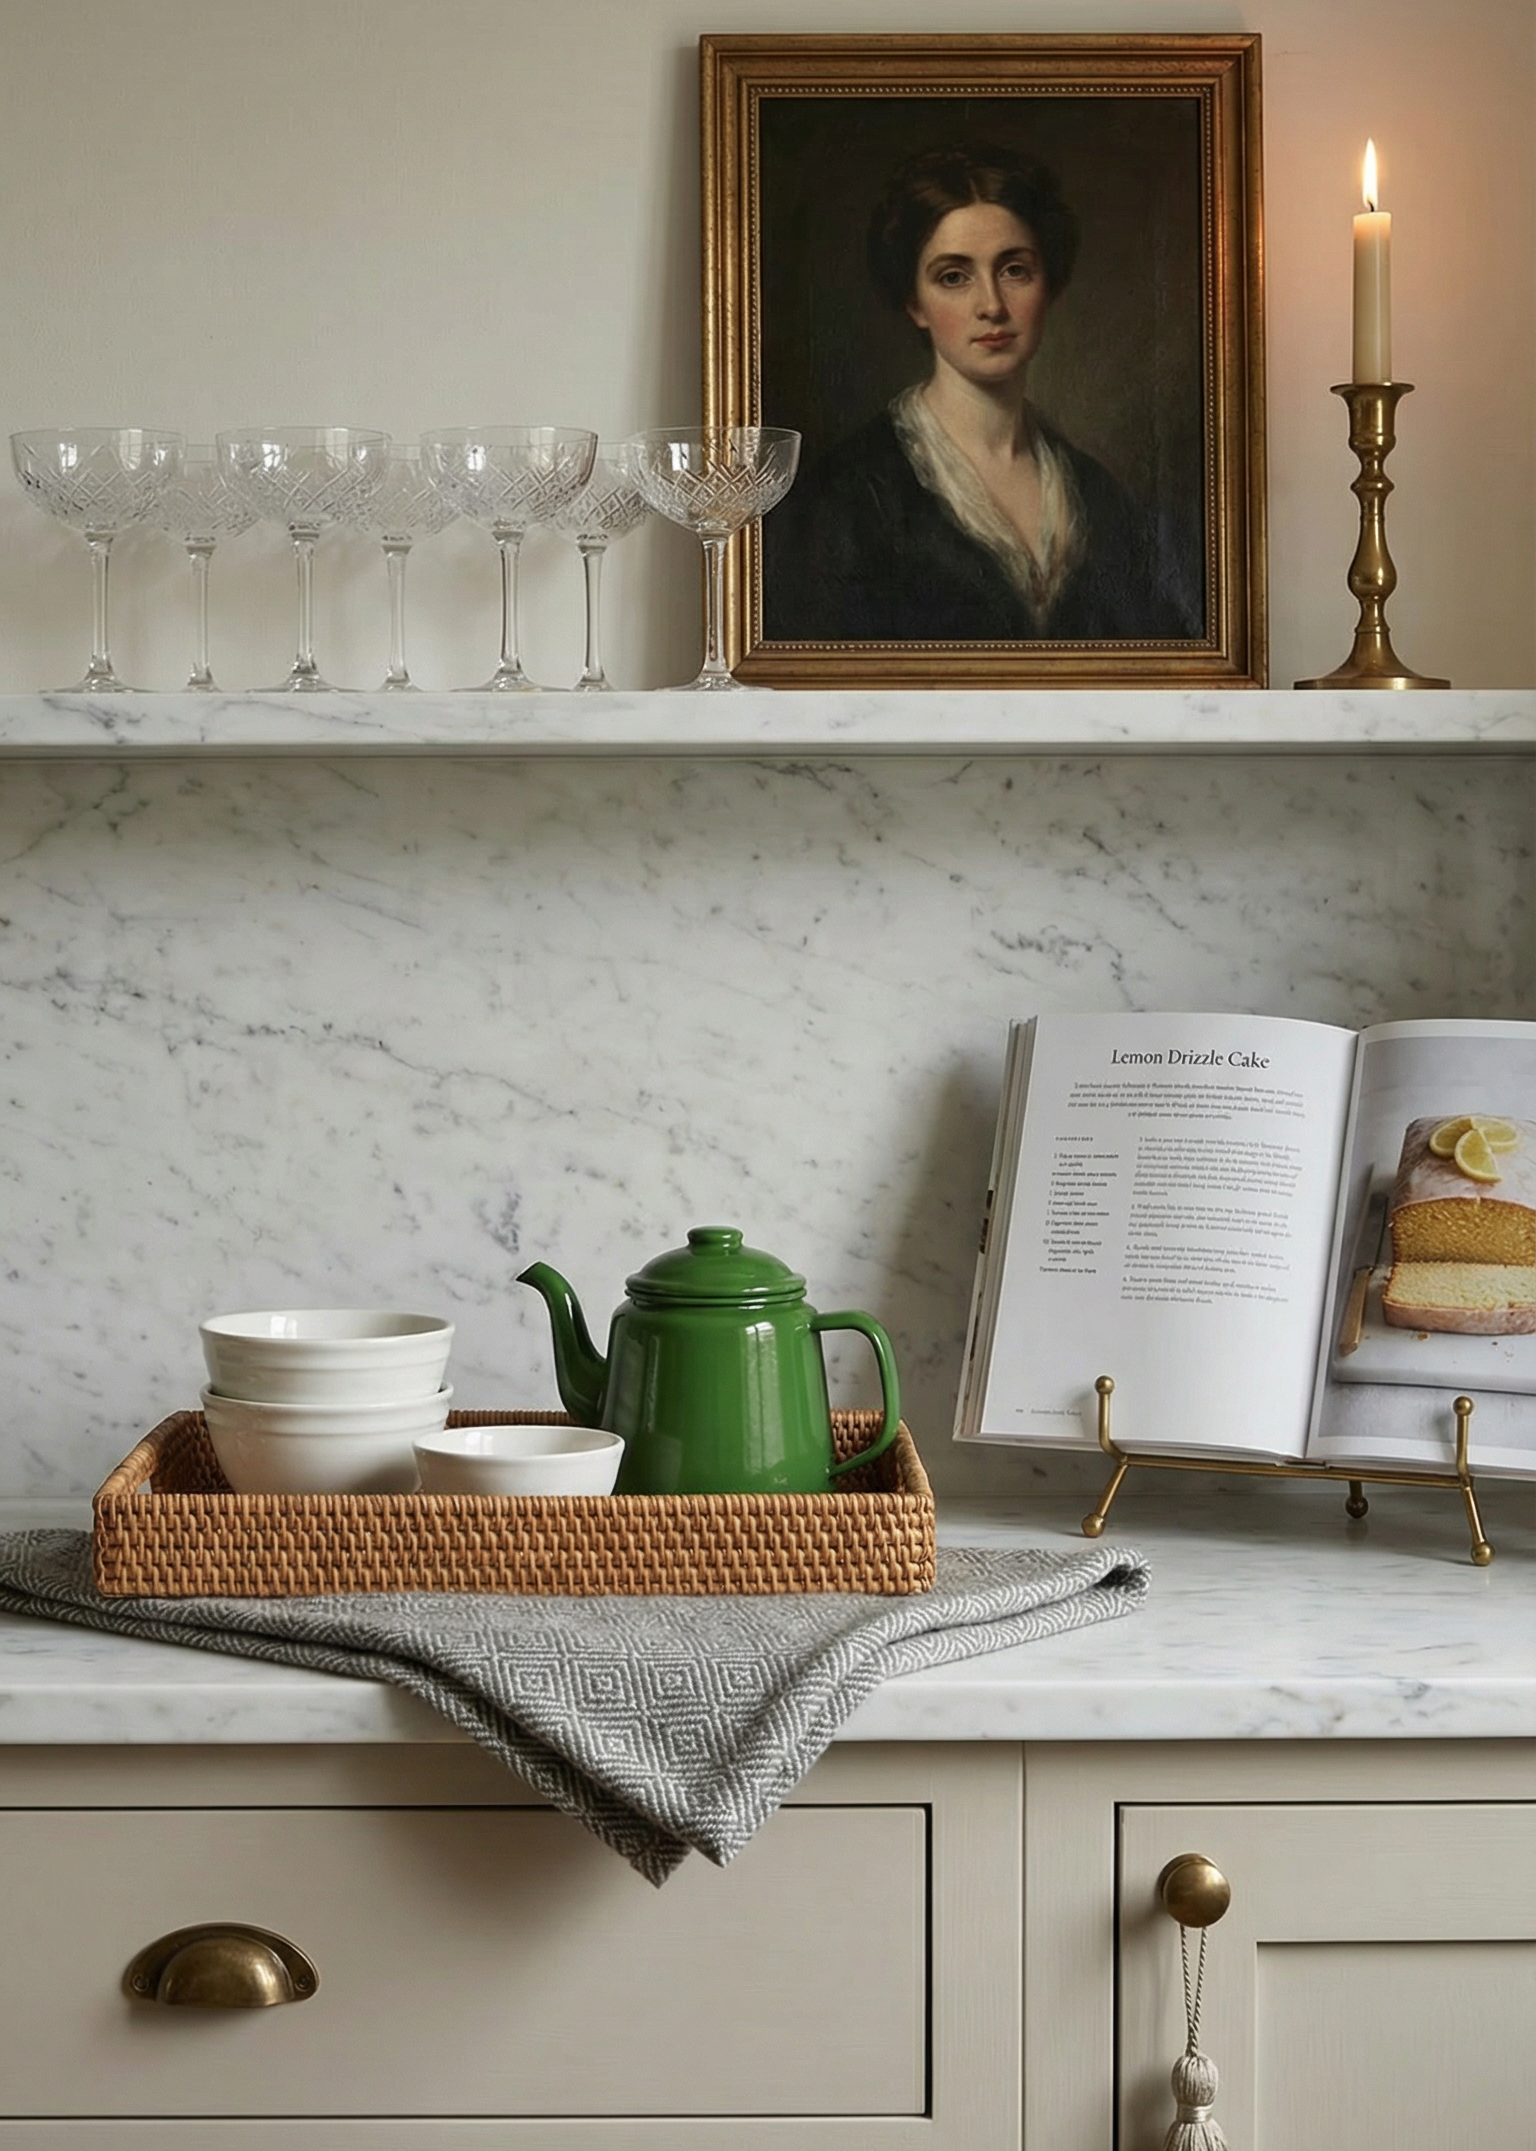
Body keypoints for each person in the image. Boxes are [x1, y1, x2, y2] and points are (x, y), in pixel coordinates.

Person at [764, 142, 1197, 643]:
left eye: (1015, 270)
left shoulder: (1101, 497)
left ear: (1048, 285)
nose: (991, 305)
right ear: (915, 303)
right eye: (954, 277)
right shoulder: (846, 497)